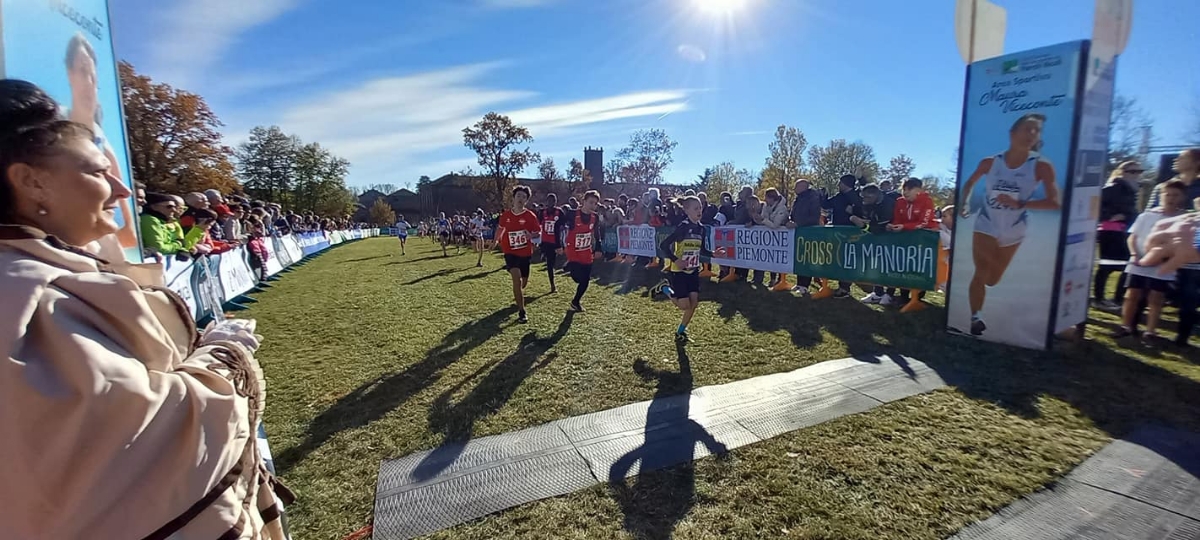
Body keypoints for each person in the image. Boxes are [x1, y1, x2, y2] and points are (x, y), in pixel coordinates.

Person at [0, 78, 290, 539]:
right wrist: (224, 356)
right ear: (31, 182)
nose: (122, 191)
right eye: (98, 173)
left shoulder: (46, 271)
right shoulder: (34, 301)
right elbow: (149, 446)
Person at [958, 113, 1061, 336]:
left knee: (993, 279)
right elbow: (970, 182)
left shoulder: (1041, 166)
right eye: (1028, 128)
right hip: (986, 222)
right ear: (1012, 134)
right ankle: (976, 318)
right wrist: (964, 203)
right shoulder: (990, 162)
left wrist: (1021, 203)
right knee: (981, 271)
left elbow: (1054, 203)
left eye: (1037, 131)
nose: (1032, 134)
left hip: (1015, 227)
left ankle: (984, 295)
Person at [1113, 180, 1187, 340]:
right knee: (1132, 294)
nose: (1171, 198)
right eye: (1167, 194)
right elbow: (1133, 237)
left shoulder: (1184, 219)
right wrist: (1134, 254)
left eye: (1175, 195)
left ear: (1182, 197)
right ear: (1161, 196)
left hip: (1164, 263)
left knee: (1156, 298)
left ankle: (1150, 331)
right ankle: (1125, 326)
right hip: (1139, 261)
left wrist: (1166, 257)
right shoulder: (1147, 216)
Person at [654, 195, 707, 343]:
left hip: (693, 270)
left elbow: (702, 250)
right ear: (687, 210)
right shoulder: (683, 227)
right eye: (696, 208)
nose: (699, 211)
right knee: (684, 305)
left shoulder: (702, 229)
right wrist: (676, 260)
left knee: (693, 304)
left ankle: (680, 332)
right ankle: (665, 288)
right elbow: (664, 245)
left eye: (700, 208)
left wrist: (713, 253)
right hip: (679, 271)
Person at [1093, 161, 1142, 311]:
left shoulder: (1133, 190)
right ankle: (1101, 299)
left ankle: (1116, 299)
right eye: (1132, 171)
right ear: (1122, 172)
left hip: (1125, 231)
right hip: (1110, 230)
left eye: (1139, 171)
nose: (1136, 174)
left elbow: (1131, 211)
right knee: (1108, 265)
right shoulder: (1113, 188)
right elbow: (1096, 206)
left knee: (1125, 265)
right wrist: (1112, 216)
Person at [496, 185, 541, 323]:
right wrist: (496, 240)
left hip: (525, 253)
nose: (521, 199)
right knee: (517, 279)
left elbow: (538, 233)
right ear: (514, 198)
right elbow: (501, 228)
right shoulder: (505, 215)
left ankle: (518, 294)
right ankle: (522, 311)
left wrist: (531, 235)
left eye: (524, 197)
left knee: (524, 281)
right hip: (510, 252)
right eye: (518, 196)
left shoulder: (530, 216)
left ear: (526, 200)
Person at [555, 190, 603, 312]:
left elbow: (597, 233)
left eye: (595, 203)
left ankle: (575, 302)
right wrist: (558, 244)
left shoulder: (595, 217)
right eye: (591, 202)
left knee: (585, 280)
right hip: (573, 250)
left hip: (586, 250)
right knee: (577, 278)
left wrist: (598, 247)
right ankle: (570, 265)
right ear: (584, 201)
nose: (593, 206)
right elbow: (557, 225)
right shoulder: (572, 214)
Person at [855, 184, 897, 304]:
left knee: (889, 265)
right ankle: (877, 292)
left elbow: (881, 228)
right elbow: (872, 221)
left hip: (891, 239)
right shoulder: (869, 204)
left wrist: (864, 225)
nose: (863, 200)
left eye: (866, 198)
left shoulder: (888, 204)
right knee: (876, 264)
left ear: (874, 196)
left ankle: (889, 294)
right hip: (876, 240)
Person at [822, 174, 863, 297]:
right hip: (837, 232)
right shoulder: (838, 197)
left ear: (845, 184)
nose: (838, 185)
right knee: (838, 258)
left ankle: (845, 288)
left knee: (847, 260)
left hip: (851, 234)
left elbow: (863, 211)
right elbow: (825, 205)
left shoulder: (857, 196)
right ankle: (841, 286)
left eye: (840, 183)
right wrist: (824, 194)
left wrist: (853, 211)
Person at [790, 178, 822, 296]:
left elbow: (814, 217)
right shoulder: (798, 199)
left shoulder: (813, 198)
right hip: (798, 233)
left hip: (809, 233)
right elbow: (793, 214)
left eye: (796, 186)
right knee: (799, 258)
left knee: (807, 258)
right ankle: (799, 282)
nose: (794, 189)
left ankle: (804, 285)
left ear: (804, 186)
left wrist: (798, 224)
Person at [760, 188, 790, 288]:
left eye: (767, 198)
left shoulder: (782, 208)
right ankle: (772, 279)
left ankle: (781, 279)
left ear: (772, 198)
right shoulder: (767, 207)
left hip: (781, 238)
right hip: (771, 238)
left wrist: (764, 220)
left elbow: (775, 225)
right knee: (772, 258)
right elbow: (763, 218)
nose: (765, 200)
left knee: (780, 258)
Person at [538, 193, 566, 293]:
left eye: (553, 201)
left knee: (551, 263)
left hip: (555, 241)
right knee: (549, 264)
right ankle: (552, 284)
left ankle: (552, 284)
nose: (551, 203)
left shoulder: (559, 212)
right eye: (549, 201)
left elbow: (564, 225)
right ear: (547, 202)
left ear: (555, 202)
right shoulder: (543, 212)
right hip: (546, 241)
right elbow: (538, 224)